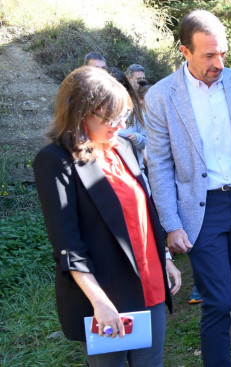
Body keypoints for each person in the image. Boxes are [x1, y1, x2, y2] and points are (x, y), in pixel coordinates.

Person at [144, 9, 231, 367]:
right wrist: (171, 224)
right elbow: (158, 164)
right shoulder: (161, 97)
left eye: (222, 53)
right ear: (184, 51)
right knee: (219, 302)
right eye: (208, 55)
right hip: (200, 210)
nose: (218, 62)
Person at [32, 66, 181, 366]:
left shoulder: (124, 147)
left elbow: (146, 211)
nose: (119, 125)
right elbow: (67, 245)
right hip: (106, 296)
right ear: (80, 112)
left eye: (123, 116)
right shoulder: (55, 161)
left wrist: (164, 257)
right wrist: (99, 302)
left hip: (149, 283)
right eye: (110, 118)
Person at [109, 67, 147, 173]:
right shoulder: (98, 114)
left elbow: (147, 140)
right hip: (111, 171)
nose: (121, 125)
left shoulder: (135, 110)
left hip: (135, 169)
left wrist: (138, 138)